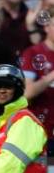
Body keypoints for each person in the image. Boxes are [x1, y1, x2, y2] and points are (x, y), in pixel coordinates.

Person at [21, 13, 54, 156]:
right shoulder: (33, 53)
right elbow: (26, 93)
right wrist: (51, 76)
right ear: (46, 27)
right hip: (39, 132)